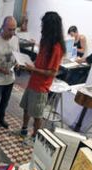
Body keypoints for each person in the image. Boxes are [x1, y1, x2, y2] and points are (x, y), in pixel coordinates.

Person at [19, 12, 65, 143]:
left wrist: (33, 69)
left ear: (50, 26)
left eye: (43, 24)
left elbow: (52, 72)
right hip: (33, 82)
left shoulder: (56, 48)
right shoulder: (45, 42)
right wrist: (28, 64)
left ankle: (34, 137)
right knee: (26, 108)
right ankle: (23, 130)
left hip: (41, 87)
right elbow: (40, 62)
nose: (41, 27)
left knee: (37, 115)